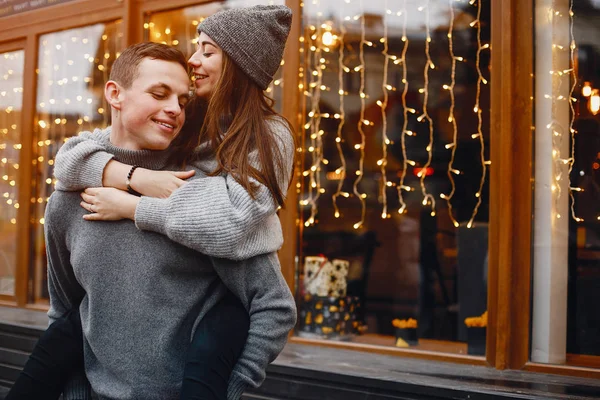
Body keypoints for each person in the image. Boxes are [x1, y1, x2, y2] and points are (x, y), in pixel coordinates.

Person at [8, 6, 297, 397]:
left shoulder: (263, 138)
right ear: (115, 95)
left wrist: (133, 207)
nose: (175, 107)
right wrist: (136, 178)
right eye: (162, 95)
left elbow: (229, 224)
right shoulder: (187, 126)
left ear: (237, 64)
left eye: (208, 51)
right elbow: (68, 159)